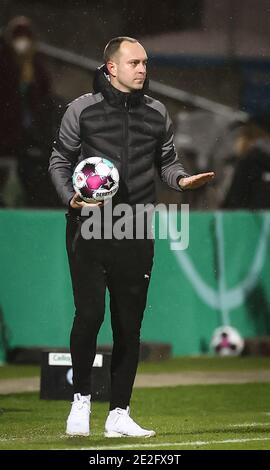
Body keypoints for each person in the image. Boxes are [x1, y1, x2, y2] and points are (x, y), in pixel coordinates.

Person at [49, 36, 214, 438]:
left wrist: (182, 181)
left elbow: (167, 163)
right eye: (135, 62)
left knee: (129, 326)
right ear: (111, 67)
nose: (142, 69)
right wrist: (72, 199)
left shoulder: (157, 112)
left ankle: (119, 413)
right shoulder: (81, 110)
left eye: (145, 63)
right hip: (89, 227)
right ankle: (81, 402)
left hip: (137, 228)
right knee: (89, 316)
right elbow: (59, 160)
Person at [0, 16, 55, 207]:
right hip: (8, 133)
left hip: (32, 135)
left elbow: (45, 97)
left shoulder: (37, 66)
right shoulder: (4, 63)